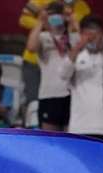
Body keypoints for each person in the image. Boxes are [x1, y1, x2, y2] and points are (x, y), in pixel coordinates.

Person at [64, 15, 103, 143]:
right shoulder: (75, 58)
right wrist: (78, 47)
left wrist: (101, 48)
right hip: (79, 128)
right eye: (87, 32)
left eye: (95, 32)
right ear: (81, 34)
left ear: (102, 34)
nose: (91, 37)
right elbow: (63, 74)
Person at [26, 2, 74, 132]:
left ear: (63, 16)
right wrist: (40, 22)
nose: (54, 17)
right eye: (51, 15)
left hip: (72, 95)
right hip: (49, 94)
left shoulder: (72, 37)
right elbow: (31, 47)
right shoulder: (42, 37)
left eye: (57, 14)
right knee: (51, 141)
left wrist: (72, 20)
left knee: (70, 140)